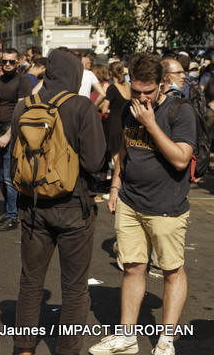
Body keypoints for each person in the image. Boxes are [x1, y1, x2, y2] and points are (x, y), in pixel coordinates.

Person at [89, 53, 196, 355]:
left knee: (171, 270)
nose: (140, 98)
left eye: (147, 92)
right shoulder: (127, 109)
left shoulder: (179, 110)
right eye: (135, 91)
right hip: (130, 202)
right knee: (132, 267)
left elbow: (180, 159)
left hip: (167, 206)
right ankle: (127, 336)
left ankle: (166, 340)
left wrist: (150, 123)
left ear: (162, 84)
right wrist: (114, 186)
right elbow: (124, 151)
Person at [11, 50, 106, 355]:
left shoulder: (24, 107)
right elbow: (94, 162)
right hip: (73, 207)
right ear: (75, 74)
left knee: (30, 282)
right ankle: (67, 349)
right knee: (75, 287)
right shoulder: (81, 107)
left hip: (32, 206)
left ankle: (24, 349)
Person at [0, 48, 32, 231]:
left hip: (13, 133)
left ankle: (13, 216)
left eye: (11, 62)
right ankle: (9, 209)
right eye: (4, 61)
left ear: (18, 63)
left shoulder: (23, 81)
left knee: (8, 176)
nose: (7, 65)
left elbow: (22, 112)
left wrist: (8, 135)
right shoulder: (0, 80)